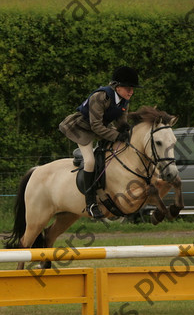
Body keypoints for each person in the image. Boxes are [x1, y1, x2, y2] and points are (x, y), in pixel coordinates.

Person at [59, 66, 142, 218]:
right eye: (128, 88)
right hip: (82, 128)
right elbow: (95, 126)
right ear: (117, 86)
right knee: (90, 161)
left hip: (102, 128)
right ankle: (90, 203)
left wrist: (127, 132)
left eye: (133, 88)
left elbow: (121, 123)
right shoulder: (100, 96)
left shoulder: (124, 100)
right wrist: (116, 136)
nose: (131, 91)